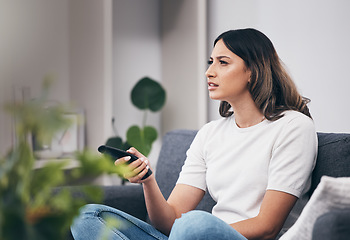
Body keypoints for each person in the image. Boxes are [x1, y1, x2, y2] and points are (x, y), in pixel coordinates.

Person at [70, 28, 317, 240]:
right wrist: (148, 180)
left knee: (194, 224)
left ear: (253, 71)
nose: (209, 72)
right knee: (88, 216)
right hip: (191, 236)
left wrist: (194, 233)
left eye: (223, 62)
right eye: (210, 62)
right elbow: (169, 222)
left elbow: (267, 227)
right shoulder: (210, 134)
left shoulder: (293, 127)